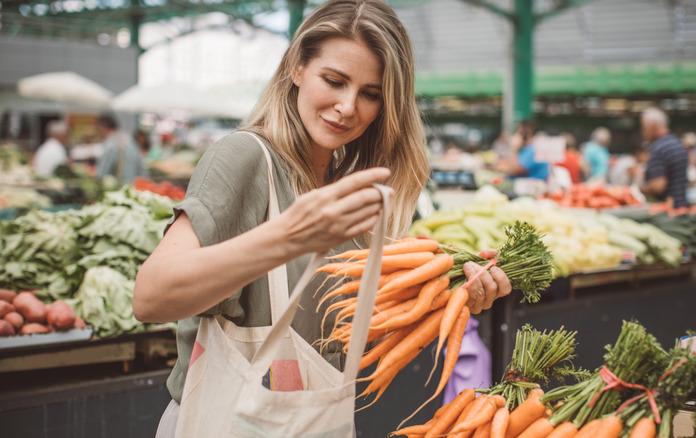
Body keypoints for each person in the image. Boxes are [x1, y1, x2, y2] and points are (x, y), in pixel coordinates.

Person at [132, 1, 512, 435]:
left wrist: (450, 294)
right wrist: (289, 238)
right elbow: (151, 296)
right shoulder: (244, 158)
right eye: (334, 81)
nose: (348, 107)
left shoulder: (350, 191)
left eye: (371, 94)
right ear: (296, 68)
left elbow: (333, 342)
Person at [638, 107, 689, 207]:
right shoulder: (677, 143)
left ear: (653, 126)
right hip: (681, 206)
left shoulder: (659, 148)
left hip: (667, 210)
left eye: (644, 128)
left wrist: (637, 189)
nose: (643, 132)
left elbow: (658, 186)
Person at [95, 113, 147, 185]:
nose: (99, 133)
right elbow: (143, 172)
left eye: (99, 129)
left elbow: (101, 174)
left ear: (103, 126)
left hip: (117, 191)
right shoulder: (131, 141)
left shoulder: (110, 145)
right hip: (135, 190)